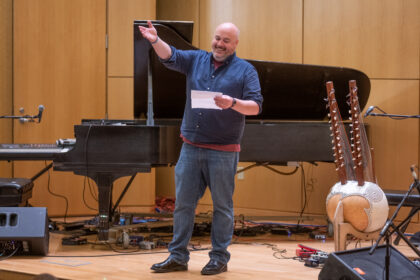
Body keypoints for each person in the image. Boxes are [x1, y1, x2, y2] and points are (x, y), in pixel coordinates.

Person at [139, 20, 263, 275]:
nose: (220, 44)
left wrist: (232, 103)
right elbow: (170, 55)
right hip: (191, 148)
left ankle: (219, 257)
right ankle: (177, 256)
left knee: (222, 207)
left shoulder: (246, 70)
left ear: (235, 44)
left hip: (223, 151)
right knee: (183, 205)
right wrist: (154, 40)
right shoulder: (196, 59)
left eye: (226, 40)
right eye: (217, 38)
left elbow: (255, 106)